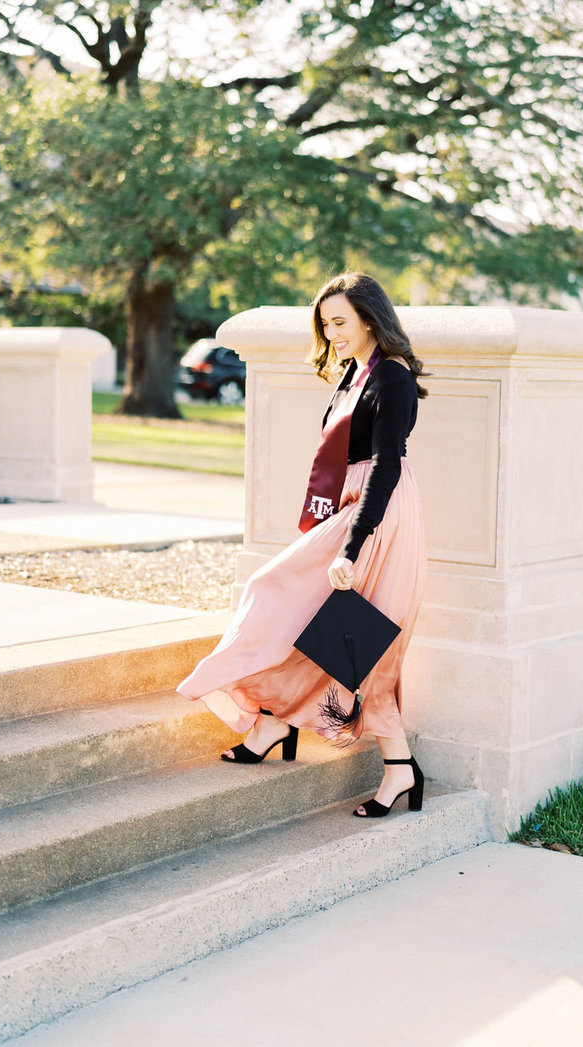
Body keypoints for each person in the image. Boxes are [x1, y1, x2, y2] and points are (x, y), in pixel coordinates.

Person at [177, 272, 428, 818]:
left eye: (340, 322)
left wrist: (351, 546)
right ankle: (274, 722)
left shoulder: (393, 379)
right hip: (350, 506)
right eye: (325, 324)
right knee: (310, 620)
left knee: (359, 645)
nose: (332, 333)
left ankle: (399, 769)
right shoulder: (354, 372)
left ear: (370, 318)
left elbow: (386, 465)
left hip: (378, 517)